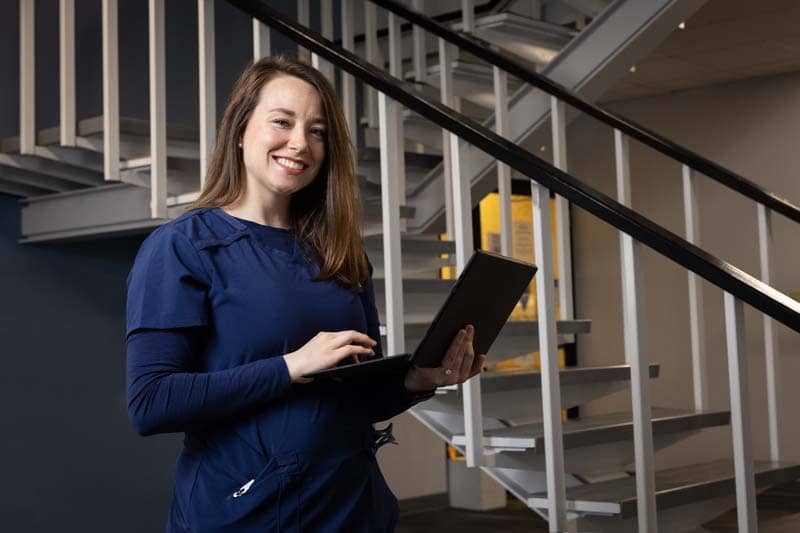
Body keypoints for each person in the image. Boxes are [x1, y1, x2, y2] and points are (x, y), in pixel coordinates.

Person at [125, 55, 486, 532]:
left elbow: (346, 401)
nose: (300, 143)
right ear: (240, 128)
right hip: (244, 515)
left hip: (352, 510)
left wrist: (418, 381)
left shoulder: (339, 253)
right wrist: (290, 366)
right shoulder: (183, 247)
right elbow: (151, 402)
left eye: (317, 131)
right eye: (282, 121)